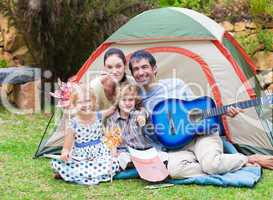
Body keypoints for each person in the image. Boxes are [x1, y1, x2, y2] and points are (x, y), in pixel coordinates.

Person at [127, 49, 273, 178]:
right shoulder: (134, 99)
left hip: (201, 135)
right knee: (175, 171)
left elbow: (197, 110)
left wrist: (224, 112)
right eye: (136, 69)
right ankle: (224, 164)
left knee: (211, 165)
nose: (141, 72)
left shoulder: (176, 84)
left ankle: (248, 159)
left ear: (154, 69)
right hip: (176, 146)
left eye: (145, 67)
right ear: (133, 74)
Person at [51, 84, 120, 185]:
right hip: (81, 155)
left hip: (99, 152)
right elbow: (67, 145)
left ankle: (84, 174)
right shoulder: (72, 123)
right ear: (73, 105)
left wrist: (119, 98)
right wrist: (65, 153)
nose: (85, 105)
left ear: (94, 102)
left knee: (112, 163)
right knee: (73, 165)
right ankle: (73, 173)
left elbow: (112, 109)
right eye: (80, 102)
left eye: (88, 101)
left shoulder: (99, 115)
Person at [105, 83, 154, 170]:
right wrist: (113, 153)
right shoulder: (112, 119)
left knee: (161, 155)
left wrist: (142, 118)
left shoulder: (138, 113)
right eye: (124, 100)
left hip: (141, 150)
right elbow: (111, 139)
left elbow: (144, 114)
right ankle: (134, 165)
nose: (127, 103)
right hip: (125, 152)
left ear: (135, 101)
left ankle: (141, 163)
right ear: (117, 102)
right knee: (122, 158)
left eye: (131, 100)